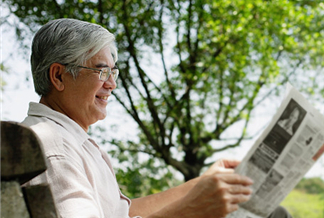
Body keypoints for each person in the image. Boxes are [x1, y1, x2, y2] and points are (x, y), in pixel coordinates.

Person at [22, 18, 292, 218]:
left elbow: (123, 213)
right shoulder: (52, 145)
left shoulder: (67, 137)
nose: (112, 85)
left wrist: (197, 186)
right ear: (58, 76)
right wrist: (192, 209)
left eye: (114, 73)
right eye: (102, 72)